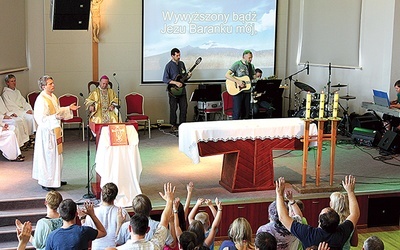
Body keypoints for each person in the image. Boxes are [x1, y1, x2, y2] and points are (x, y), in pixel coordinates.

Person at [275, 175, 360, 250]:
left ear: (319, 221)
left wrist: (279, 194)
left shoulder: (308, 233)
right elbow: (355, 214)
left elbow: (283, 217)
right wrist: (350, 191)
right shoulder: (341, 233)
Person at [32, 75, 80, 191]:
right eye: (50, 84)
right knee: (48, 157)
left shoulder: (53, 96)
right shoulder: (41, 100)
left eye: (53, 83)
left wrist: (68, 108)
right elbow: (40, 118)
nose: (53, 85)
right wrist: (55, 117)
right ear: (43, 86)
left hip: (55, 131)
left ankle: (55, 179)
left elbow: (57, 111)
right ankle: (47, 182)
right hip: (46, 133)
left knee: (57, 156)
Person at [106, 182, 175, 250]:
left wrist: (119, 224)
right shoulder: (155, 246)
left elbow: (117, 242)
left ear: (130, 228)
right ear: (148, 229)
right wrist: (169, 201)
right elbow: (164, 221)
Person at [79, 182, 130, 250]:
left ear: (101, 195)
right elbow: (129, 231)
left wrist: (82, 219)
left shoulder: (93, 213)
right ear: (115, 196)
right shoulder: (122, 212)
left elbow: (85, 232)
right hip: (115, 248)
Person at [162, 48, 191, 132]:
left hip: (182, 91)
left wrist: (188, 76)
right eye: (177, 55)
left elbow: (183, 78)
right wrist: (175, 83)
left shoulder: (182, 64)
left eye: (179, 55)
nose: (179, 57)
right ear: (172, 56)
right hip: (173, 91)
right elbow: (165, 79)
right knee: (173, 108)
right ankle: (173, 125)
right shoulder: (169, 65)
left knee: (184, 108)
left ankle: (182, 125)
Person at [225, 50, 255, 120]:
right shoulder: (237, 64)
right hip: (238, 91)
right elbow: (227, 75)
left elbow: (251, 77)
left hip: (247, 91)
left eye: (251, 58)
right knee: (237, 112)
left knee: (246, 113)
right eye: (249, 58)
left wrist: (256, 77)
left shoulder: (251, 66)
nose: (250, 59)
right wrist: (238, 81)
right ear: (243, 57)